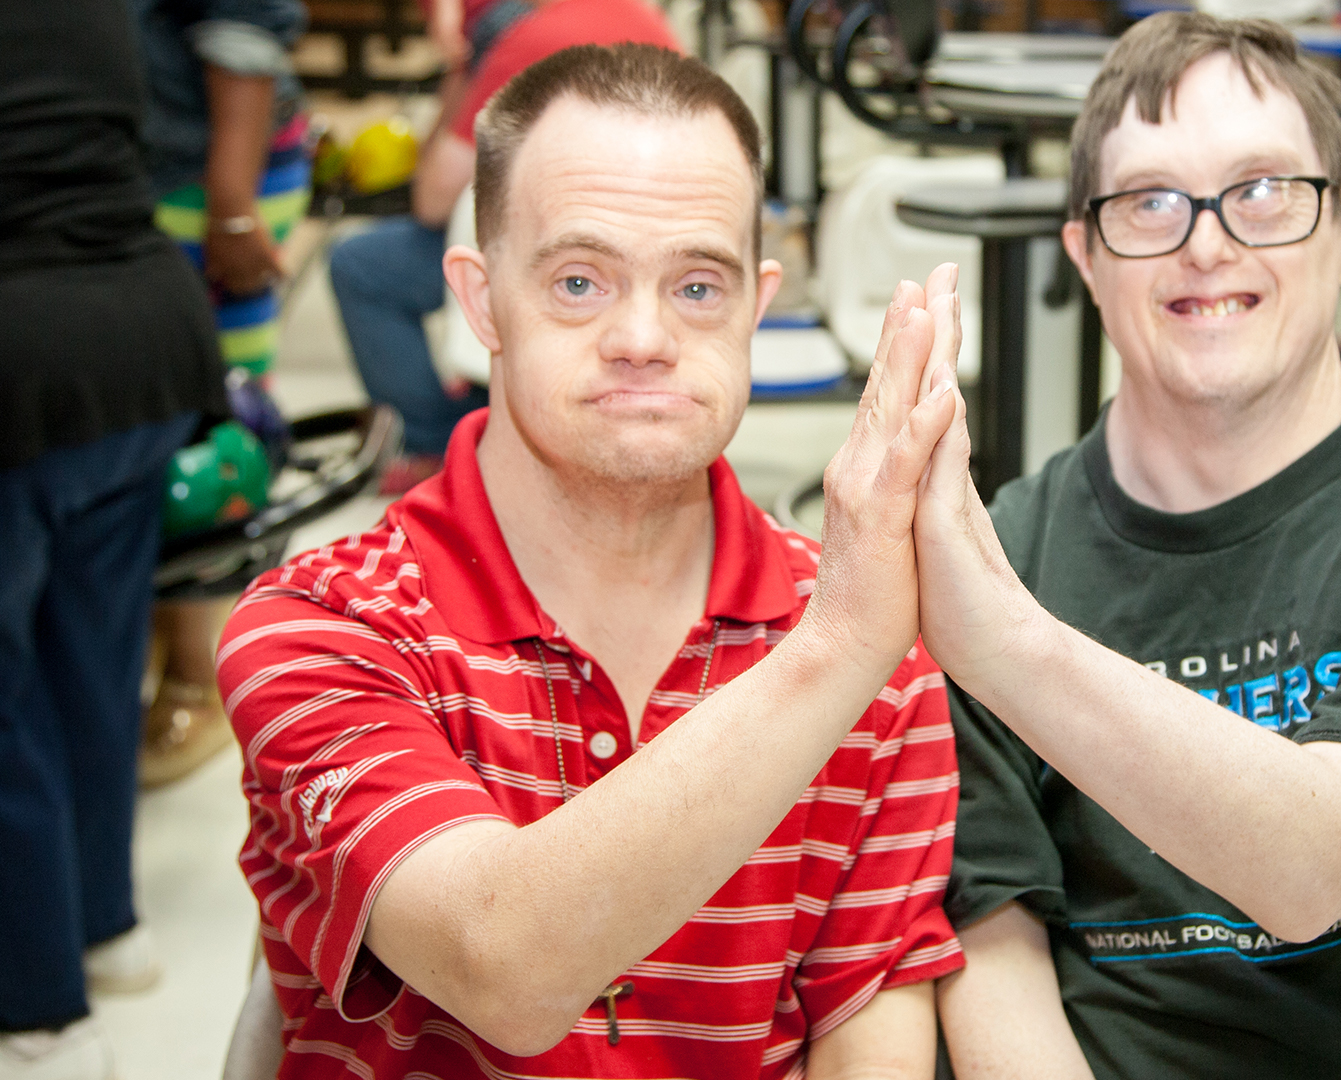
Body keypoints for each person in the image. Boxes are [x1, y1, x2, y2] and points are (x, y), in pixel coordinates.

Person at [217, 43, 964, 1078]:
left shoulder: (873, 651)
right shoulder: (325, 627)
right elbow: (504, 969)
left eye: (699, 285)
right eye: (579, 280)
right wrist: (837, 649)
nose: (644, 336)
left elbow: (867, 1017)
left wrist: (850, 638)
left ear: (759, 302)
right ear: (480, 301)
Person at [909, 14, 1341, 1080]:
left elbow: (1316, 867)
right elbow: (989, 946)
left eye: (1263, 189)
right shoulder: (1007, 557)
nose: (1207, 242)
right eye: (1150, 201)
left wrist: (1001, 640)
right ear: (1085, 252)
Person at [0, 3, 230, 1076]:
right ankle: (107, 930)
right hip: (145, 337)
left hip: (24, 351)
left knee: (9, 700)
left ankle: (40, 1008)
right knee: (92, 662)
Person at [330, 0, 681, 494]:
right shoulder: (639, 17)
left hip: (566, 256)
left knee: (360, 265)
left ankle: (434, 447)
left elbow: (431, 199)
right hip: (651, 248)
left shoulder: (525, 42)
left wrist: (462, 74)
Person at [128, 0, 313, 787]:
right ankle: (160, 642)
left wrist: (232, 210)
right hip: (146, 161)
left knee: (203, 418)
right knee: (146, 406)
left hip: (210, 173)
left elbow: (244, 32)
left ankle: (199, 679)